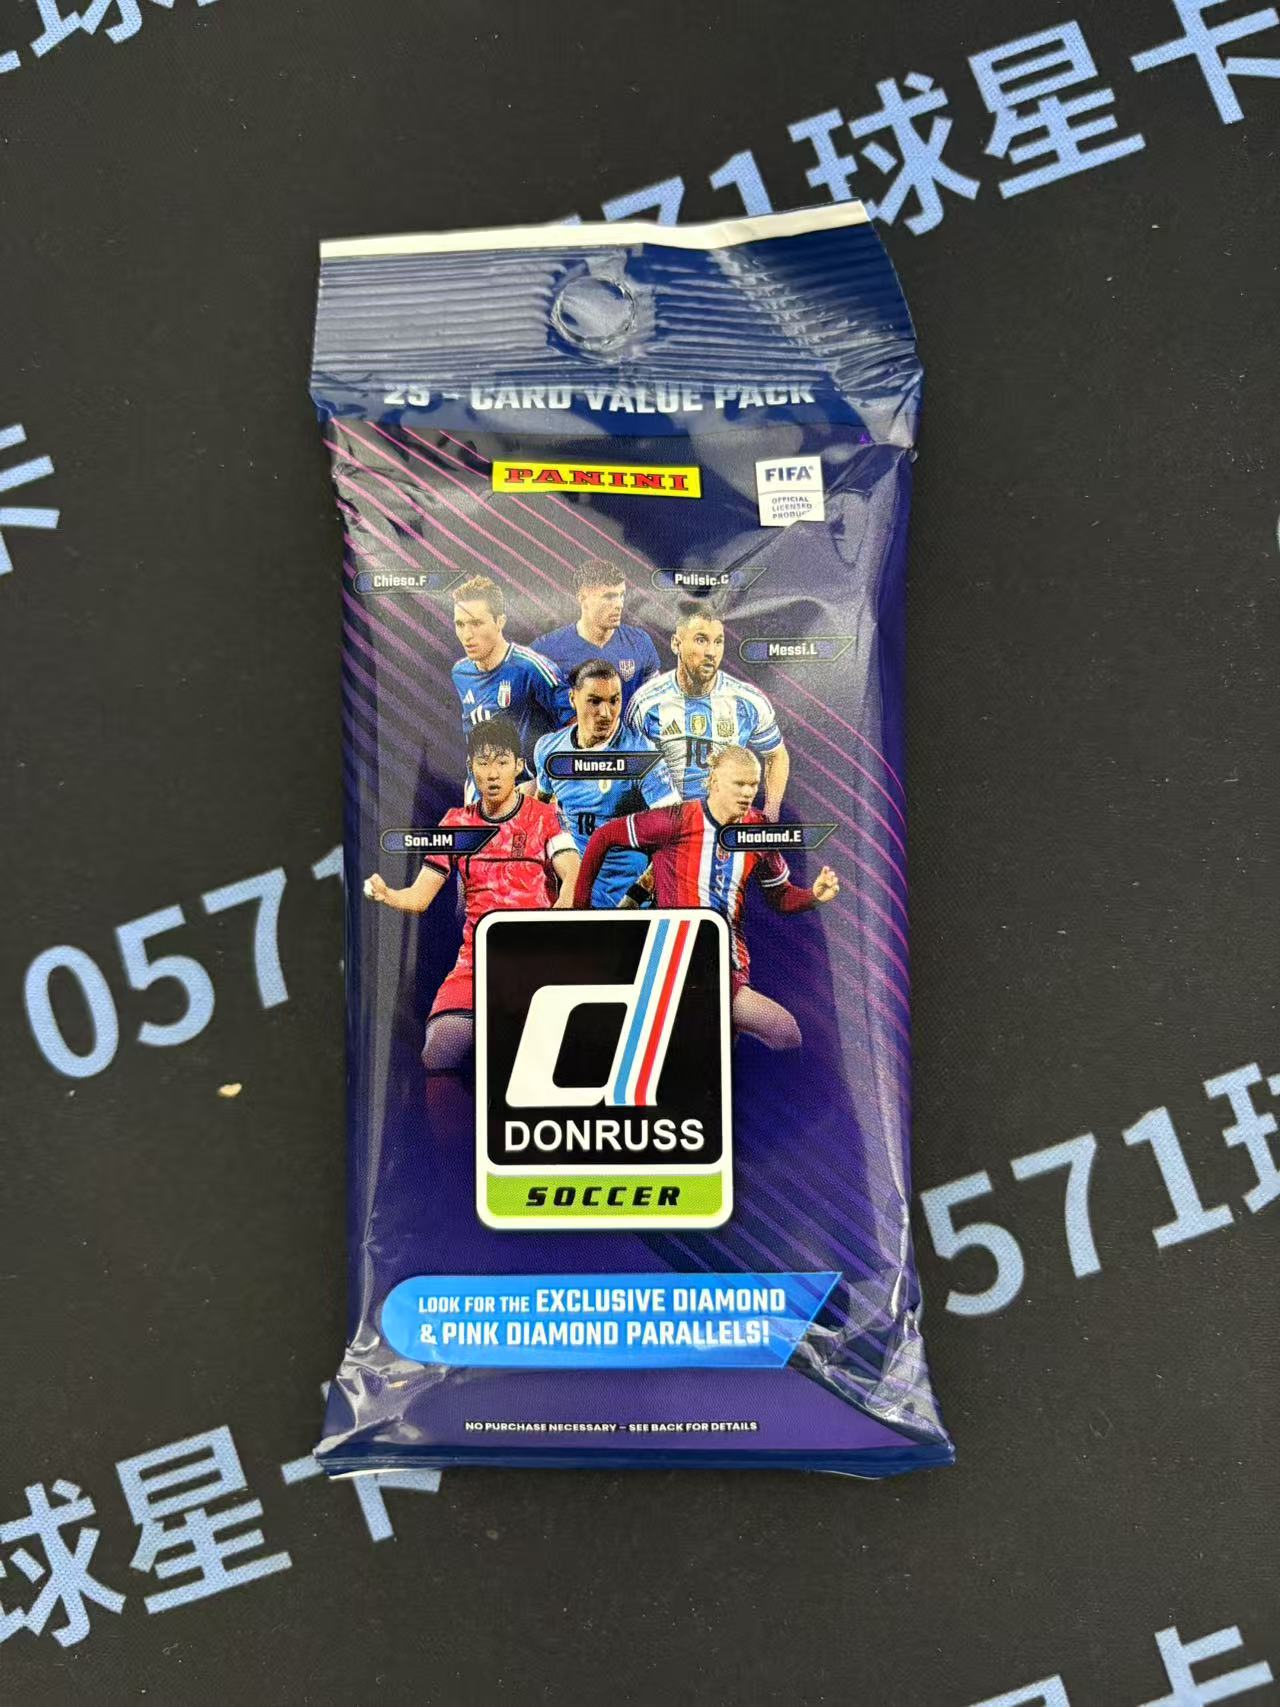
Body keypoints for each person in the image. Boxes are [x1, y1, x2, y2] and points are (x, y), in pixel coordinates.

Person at [573, 746, 838, 1050]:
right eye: (739, 783)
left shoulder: (758, 830)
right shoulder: (677, 819)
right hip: (684, 961)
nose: (748, 792)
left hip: (734, 964)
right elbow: (604, 836)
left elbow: (781, 896)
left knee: (718, 1056)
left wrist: (814, 896)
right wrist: (580, 912)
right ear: (713, 781)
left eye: (753, 784)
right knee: (784, 1031)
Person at [364, 717, 579, 1070]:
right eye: (484, 763)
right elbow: (420, 897)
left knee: (538, 1056)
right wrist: (388, 894)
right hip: (476, 963)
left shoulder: (544, 817)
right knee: (438, 1050)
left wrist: (551, 928)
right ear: (470, 767)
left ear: (518, 767)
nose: (492, 774)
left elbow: (572, 873)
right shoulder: (456, 824)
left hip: (535, 957)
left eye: (502, 762)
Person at [534, 658, 679, 907]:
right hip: (573, 897)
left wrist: (635, 898)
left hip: (626, 902)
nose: (606, 713)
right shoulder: (549, 750)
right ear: (573, 698)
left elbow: (677, 837)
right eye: (595, 701)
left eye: (614, 701)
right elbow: (540, 814)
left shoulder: (641, 756)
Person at [625, 607, 790, 819]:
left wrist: (771, 812)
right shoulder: (646, 704)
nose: (711, 652)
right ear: (676, 644)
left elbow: (777, 755)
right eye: (701, 640)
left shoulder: (747, 701)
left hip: (726, 828)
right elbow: (627, 770)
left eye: (718, 642)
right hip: (668, 828)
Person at [449, 575, 569, 795]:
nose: (467, 635)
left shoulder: (532, 668)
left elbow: (579, 730)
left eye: (476, 623)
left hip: (526, 796)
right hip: (482, 797)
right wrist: (471, 790)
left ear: (500, 622)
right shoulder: (460, 673)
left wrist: (542, 785)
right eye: (460, 624)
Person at [532, 559, 661, 716]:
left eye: (621, 595)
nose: (619, 604)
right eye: (609, 597)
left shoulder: (640, 642)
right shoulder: (546, 650)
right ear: (583, 599)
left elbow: (657, 703)